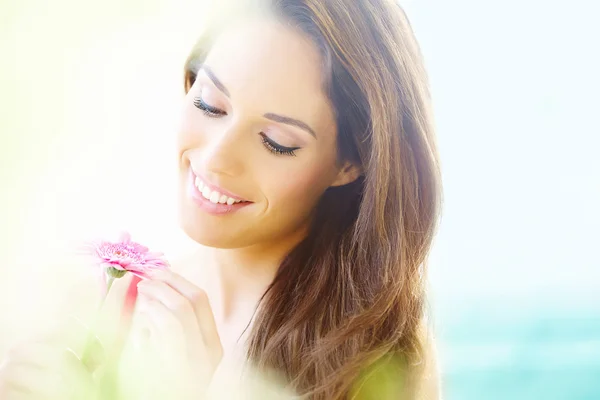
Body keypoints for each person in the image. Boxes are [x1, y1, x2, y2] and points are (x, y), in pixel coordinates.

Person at [0, 0, 443, 398]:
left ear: (351, 163)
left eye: (275, 142)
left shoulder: (377, 355)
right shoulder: (106, 304)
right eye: (210, 105)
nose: (215, 159)